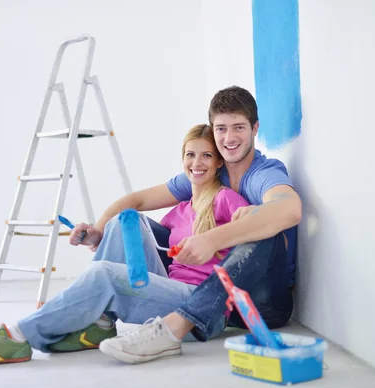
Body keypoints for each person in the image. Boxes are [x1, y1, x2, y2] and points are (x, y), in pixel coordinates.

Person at [0, 124, 250, 366]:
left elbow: (249, 230)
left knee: (105, 274)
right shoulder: (180, 211)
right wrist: (98, 233)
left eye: (207, 156)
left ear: (219, 162)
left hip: (198, 311)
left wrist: (247, 216)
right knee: (126, 220)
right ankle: (101, 323)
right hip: (168, 294)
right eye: (190, 155)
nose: (197, 164)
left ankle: (17, 336)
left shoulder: (225, 199)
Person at [97, 86, 301, 364]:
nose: (229, 138)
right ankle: (99, 319)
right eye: (221, 129)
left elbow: (289, 208)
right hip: (215, 296)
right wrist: (98, 231)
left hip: (262, 302)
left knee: (264, 230)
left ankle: (174, 328)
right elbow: (140, 199)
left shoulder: (264, 173)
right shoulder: (211, 171)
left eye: (239, 127)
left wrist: (213, 239)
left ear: (255, 128)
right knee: (132, 222)